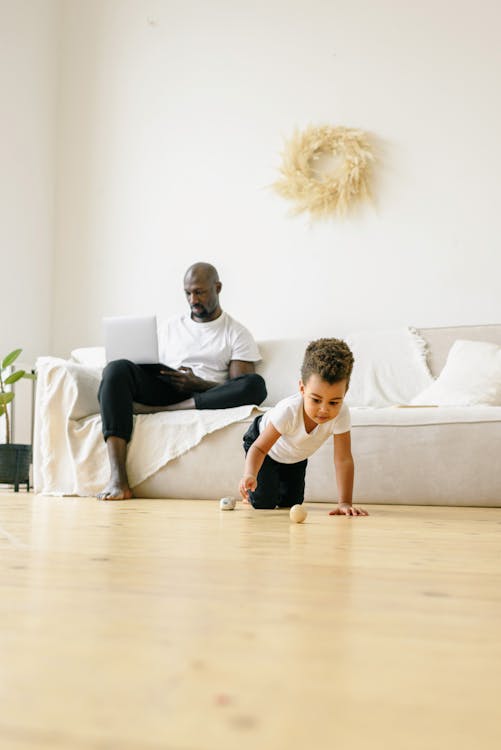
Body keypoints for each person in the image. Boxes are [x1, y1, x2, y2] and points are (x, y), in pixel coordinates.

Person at [97, 262, 267, 500]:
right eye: (188, 293)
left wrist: (199, 384)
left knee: (256, 384)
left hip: (207, 394)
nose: (192, 299)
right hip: (169, 387)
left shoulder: (236, 332)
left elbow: (241, 387)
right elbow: (149, 365)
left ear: (217, 288)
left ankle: (166, 410)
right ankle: (118, 480)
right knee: (115, 370)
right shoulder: (170, 328)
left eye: (199, 292)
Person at [239, 338, 368, 516]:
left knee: (291, 503)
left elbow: (343, 459)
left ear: (344, 393)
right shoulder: (288, 411)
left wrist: (345, 503)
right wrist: (250, 474)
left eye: (334, 402)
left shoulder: (341, 414)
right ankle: (252, 495)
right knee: (265, 504)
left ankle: (268, 489)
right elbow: (259, 448)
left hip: (295, 456)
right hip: (265, 449)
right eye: (316, 400)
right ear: (302, 388)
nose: (324, 410)